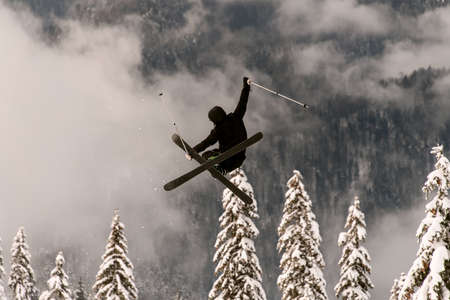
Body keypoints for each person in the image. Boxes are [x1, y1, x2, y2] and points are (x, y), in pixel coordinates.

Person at [193, 77, 251, 175]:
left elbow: (206, 143)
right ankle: (222, 170)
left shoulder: (218, 130)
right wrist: (246, 86)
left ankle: (219, 166)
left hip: (226, 158)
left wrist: (193, 152)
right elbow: (243, 102)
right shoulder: (236, 116)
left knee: (206, 155)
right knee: (220, 155)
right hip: (239, 159)